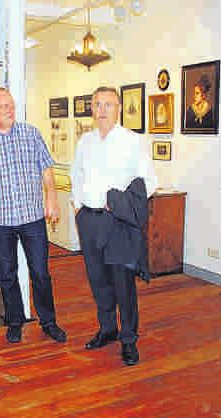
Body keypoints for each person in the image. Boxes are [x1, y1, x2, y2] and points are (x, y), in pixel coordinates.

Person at [0, 87, 67, 344]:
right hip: (1, 221)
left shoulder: (31, 134)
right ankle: (15, 321)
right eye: (4, 107)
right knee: (7, 274)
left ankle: (49, 321)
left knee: (40, 272)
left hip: (32, 217)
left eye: (11, 105)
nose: (10, 110)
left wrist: (52, 198)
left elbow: (46, 169)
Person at [70, 86, 157, 366]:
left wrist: (120, 203)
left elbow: (149, 182)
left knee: (123, 284)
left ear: (118, 108)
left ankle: (129, 339)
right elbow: (76, 175)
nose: (102, 110)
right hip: (89, 219)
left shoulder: (132, 141)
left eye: (108, 104)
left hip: (117, 222)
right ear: (92, 108)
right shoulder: (85, 141)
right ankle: (108, 329)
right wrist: (77, 206)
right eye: (97, 104)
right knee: (98, 281)